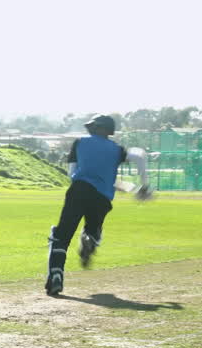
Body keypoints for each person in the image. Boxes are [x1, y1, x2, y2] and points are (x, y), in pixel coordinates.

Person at [45, 114, 150, 296]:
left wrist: (87, 177)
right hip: (102, 197)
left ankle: (56, 276)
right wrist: (143, 185)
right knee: (94, 230)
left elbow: (72, 173)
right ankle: (90, 239)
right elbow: (140, 156)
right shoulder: (117, 149)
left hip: (78, 190)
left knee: (61, 235)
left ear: (98, 128)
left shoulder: (80, 142)